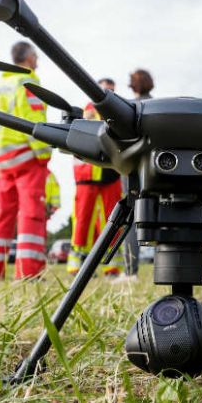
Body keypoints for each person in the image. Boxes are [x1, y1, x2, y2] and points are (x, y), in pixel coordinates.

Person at [0, 41, 52, 280]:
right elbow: (34, 121)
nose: (38, 62)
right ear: (29, 57)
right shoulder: (27, 82)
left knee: (3, 216)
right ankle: (29, 273)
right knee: (31, 214)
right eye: (37, 57)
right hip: (26, 157)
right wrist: (44, 155)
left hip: (1, 160)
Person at [68, 77, 124, 277]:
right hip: (87, 175)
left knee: (113, 220)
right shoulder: (88, 110)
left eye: (112, 89)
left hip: (111, 174)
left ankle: (112, 267)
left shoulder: (121, 111)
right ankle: (78, 265)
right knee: (83, 221)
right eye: (105, 89)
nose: (109, 93)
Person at [120, 69, 155, 279]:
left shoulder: (128, 109)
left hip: (133, 171)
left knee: (132, 218)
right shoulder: (158, 106)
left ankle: (130, 271)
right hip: (156, 170)